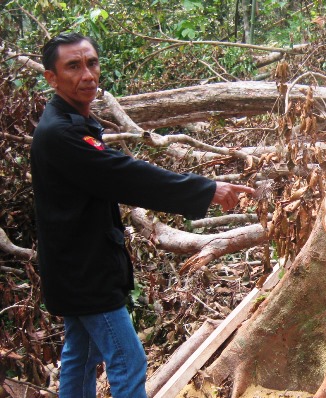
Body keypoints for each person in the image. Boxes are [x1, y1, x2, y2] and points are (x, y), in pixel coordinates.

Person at [30, 32, 254, 398]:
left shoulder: (71, 123)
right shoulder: (61, 133)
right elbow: (124, 176)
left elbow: (112, 176)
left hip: (78, 269)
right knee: (128, 359)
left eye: (92, 63)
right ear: (51, 78)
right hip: (86, 277)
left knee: (80, 357)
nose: (87, 74)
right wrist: (207, 190)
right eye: (73, 66)